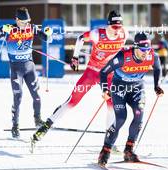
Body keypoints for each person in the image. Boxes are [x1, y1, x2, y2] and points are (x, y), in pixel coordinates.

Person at [31, 10, 128, 143]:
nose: (117, 30)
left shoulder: (124, 34)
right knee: (73, 101)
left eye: (119, 26)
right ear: (108, 25)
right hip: (92, 72)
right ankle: (45, 127)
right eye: (114, 27)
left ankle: (109, 139)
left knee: (112, 104)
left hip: (109, 75)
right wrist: (75, 57)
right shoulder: (97, 34)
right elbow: (80, 38)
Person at [97, 32, 164, 166]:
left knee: (139, 114)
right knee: (121, 118)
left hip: (136, 88)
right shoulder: (123, 57)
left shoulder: (152, 56)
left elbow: (158, 68)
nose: (146, 52)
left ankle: (129, 150)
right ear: (135, 47)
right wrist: (104, 90)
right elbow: (103, 72)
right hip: (119, 88)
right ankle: (105, 151)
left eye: (148, 49)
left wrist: (157, 85)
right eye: (143, 49)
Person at [0, 7, 52, 138]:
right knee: (18, 97)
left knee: (36, 95)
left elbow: (46, 38)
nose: (25, 24)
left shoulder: (32, 28)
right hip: (15, 68)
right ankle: (15, 126)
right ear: (16, 20)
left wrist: (48, 33)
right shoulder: (10, 29)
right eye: (23, 22)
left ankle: (38, 120)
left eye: (27, 21)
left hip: (29, 67)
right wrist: (1, 30)